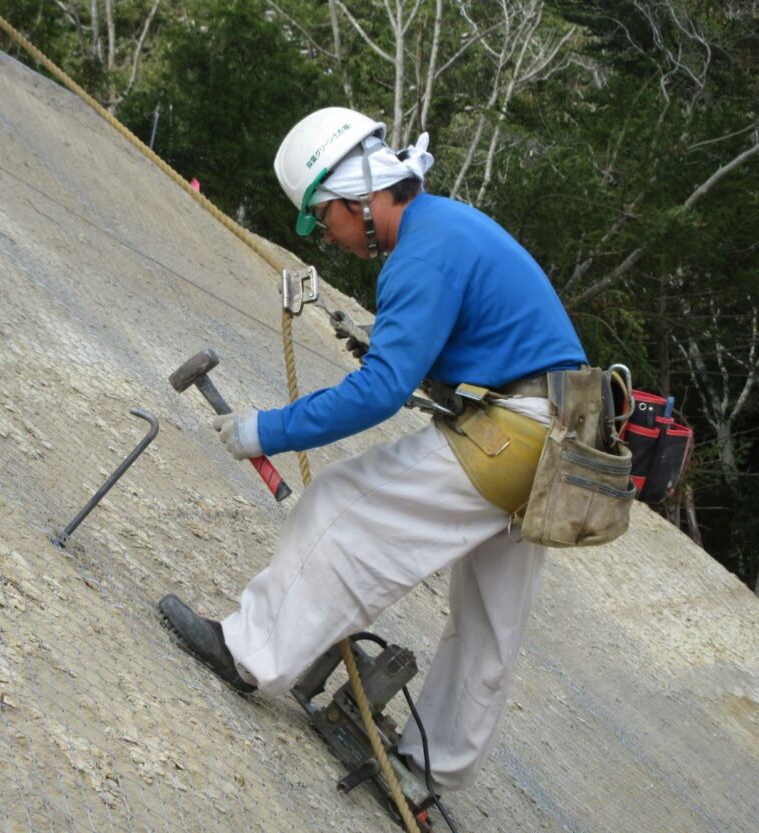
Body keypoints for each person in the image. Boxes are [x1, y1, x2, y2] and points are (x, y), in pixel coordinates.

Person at [158, 107, 587, 792]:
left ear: (359, 195)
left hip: (518, 433)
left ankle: (247, 653)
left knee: (340, 505)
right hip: (565, 440)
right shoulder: (444, 228)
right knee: (488, 618)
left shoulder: (420, 252)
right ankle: (426, 769)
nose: (322, 234)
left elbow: (378, 393)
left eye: (319, 215)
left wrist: (265, 429)